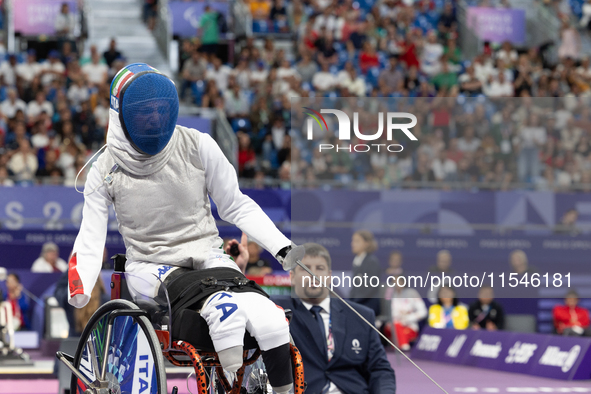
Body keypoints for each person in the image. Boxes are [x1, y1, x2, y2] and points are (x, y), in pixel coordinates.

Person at [67, 63, 296, 393]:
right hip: (149, 266)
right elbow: (91, 234)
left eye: (161, 108)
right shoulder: (104, 168)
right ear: (122, 114)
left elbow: (235, 204)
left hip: (207, 256)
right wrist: (81, 285)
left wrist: (281, 246)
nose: (154, 118)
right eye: (145, 111)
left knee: (270, 318)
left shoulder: (198, 144)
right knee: (223, 311)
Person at [273, 243, 397, 394]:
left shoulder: (361, 315)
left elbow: (380, 370)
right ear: (292, 277)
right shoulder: (276, 311)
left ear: (329, 276)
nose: (313, 274)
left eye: (320, 268)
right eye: (305, 268)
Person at [387, 276, 426, 351]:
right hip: (393, 325)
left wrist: (408, 318)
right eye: (394, 282)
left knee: (398, 330)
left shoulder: (412, 293)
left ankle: (402, 348)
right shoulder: (390, 294)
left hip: (409, 326)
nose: (396, 284)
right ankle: (404, 347)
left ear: (404, 282)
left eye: (399, 281)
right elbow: (388, 312)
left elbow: (423, 312)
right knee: (395, 325)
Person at [349, 230, 382, 316]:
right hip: (358, 303)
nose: (353, 244)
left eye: (357, 241)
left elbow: (369, 288)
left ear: (367, 243)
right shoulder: (357, 261)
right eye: (353, 241)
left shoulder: (372, 261)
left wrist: (353, 303)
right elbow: (355, 288)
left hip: (368, 305)